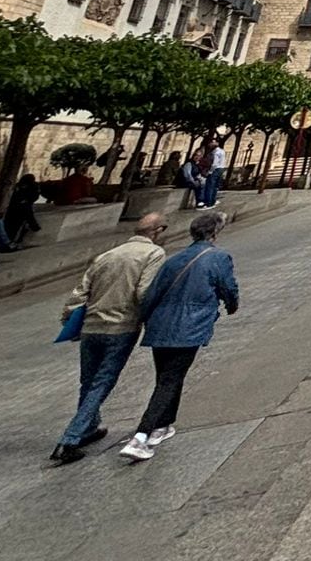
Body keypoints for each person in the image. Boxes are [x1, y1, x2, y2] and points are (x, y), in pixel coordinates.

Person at [117, 210, 239, 462]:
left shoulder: (174, 259)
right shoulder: (218, 257)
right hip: (189, 327)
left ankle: (163, 425)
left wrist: (145, 320)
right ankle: (141, 436)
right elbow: (228, 287)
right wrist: (232, 304)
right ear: (215, 232)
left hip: (161, 326)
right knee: (169, 380)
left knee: (167, 375)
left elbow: (151, 295)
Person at [51, 213, 170, 463]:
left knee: (88, 381)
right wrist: (151, 319)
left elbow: (78, 294)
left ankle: (89, 427)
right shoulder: (154, 254)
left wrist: (69, 323)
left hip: (91, 327)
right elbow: (144, 292)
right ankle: (70, 439)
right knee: (102, 382)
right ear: (157, 231)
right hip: (121, 327)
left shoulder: (107, 255)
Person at [6, 172, 42, 245]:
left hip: (20, 207)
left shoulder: (33, 186)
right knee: (16, 222)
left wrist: (26, 200)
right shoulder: (18, 186)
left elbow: (34, 196)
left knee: (17, 221)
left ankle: (32, 225)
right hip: (17, 207)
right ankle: (33, 225)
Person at [204, 139, 228, 208]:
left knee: (210, 186)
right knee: (215, 186)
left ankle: (208, 203)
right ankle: (213, 201)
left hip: (216, 169)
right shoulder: (222, 151)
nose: (210, 144)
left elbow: (214, 163)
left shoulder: (216, 152)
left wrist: (210, 171)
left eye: (212, 143)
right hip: (221, 168)